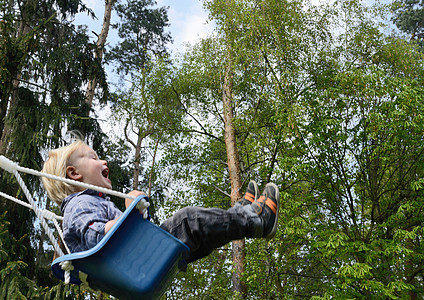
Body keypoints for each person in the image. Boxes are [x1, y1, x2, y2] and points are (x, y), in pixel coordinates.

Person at [41, 139, 280, 263]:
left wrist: (134, 215)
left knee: (201, 235)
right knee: (189, 220)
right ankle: (255, 222)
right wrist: (131, 211)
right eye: (94, 158)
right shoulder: (79, 205)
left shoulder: (94, 202)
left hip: (139, 256)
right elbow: (100, 237)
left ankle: (243, 213)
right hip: (138, 258)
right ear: (74, 174)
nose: (104, 162)